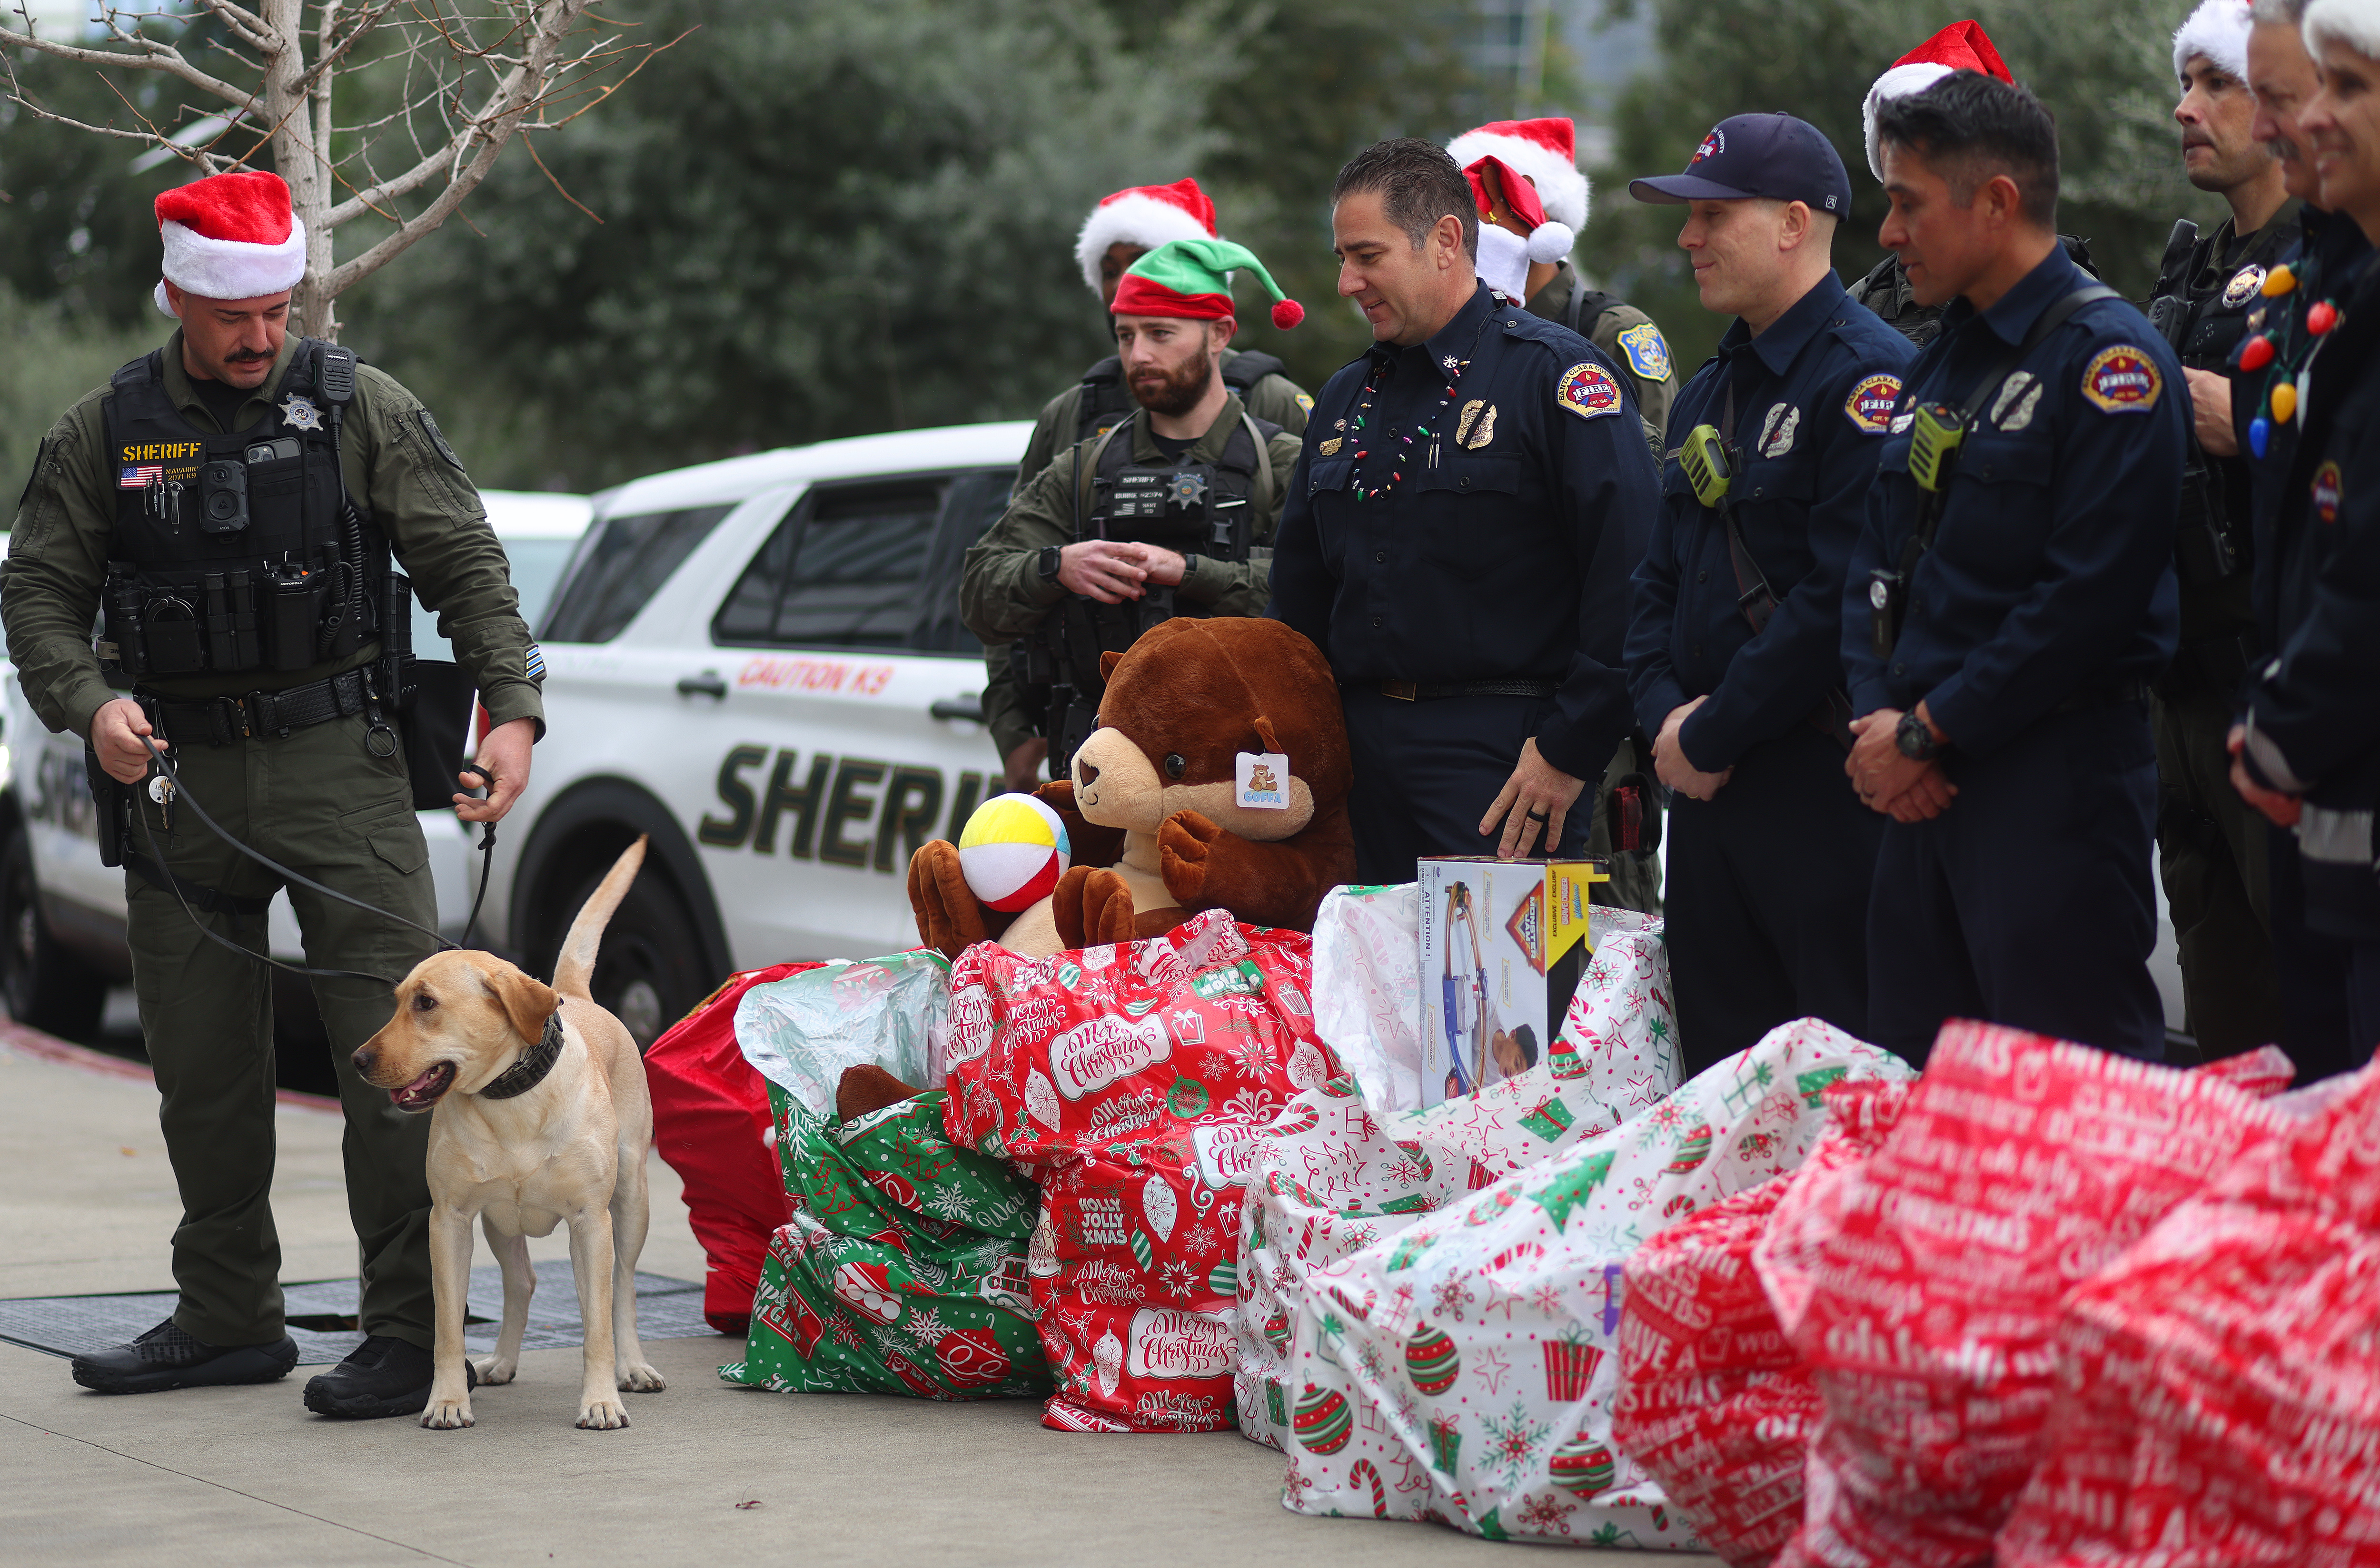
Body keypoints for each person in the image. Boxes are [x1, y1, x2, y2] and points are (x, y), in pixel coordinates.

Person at [0, 171, 542, 1415]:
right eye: (235, 312)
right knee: (200, 1063)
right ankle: (228, 1312)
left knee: (404, 1059)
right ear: (180, 293)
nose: (261, 334)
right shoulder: (106, 429)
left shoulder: (360, 406)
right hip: (177, 775)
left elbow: (464, 558)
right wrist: (91, 704)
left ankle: (414, 1322)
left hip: (337, 763)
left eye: (279, 308)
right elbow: (37, 596)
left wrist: (511, 708)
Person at [1839, 73, 2187, 1066]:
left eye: (1907, 203)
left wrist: (1927, 729)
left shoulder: (2108, 361)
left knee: (2066, 1100)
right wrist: (1883, 720)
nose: (1890, 234)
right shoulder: (1939, 362)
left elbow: (2086, 601)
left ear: (1993, 202)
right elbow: (1875, 560)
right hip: (1918, 792)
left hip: (2049, 786)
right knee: (1920, 1089)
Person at [1266, 139, 1661, 888]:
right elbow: (1297, 604)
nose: (1347, 281)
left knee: (1500, 1008)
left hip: (1508, 771)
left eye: (1367, 255)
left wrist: (1569, 748)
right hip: (1357, 771)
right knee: (1366, 1005)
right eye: (1342, 257)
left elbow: (1633, 577)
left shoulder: (1557, 379)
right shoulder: (1346, 399)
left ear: (1447, 240)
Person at [1623, 114, 1917, 1074]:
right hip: (1704, 803)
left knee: (1834, 1094)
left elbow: (1846, 591)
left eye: (1711, 215)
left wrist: (1710, 733)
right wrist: (1667, 718)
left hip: (1817, 790)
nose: (1687, 238)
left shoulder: (1867, 374)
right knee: (1716, 1101)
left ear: (1794, 223)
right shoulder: (1713, 389)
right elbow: (1655, 581)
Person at [985, 178, 1314, 791]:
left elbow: (1321, 589)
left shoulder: (1274, 426)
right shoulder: (1077, 433)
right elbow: (998, 580)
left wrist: (1189, 572)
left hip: (1242, 754)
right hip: (1096, 744)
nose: (1122, 282)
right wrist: (1014, 723)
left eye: (1160, 330)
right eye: (1126, 330)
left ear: (1217, 332)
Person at [1451, 116, 1677, 913]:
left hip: (1591, 703)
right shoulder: (1448, 342)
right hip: (1481, 694)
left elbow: (1640, 501)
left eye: (1484, 227)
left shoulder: (1609, 337)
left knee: (1600, 937)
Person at [2229, 0, 2380, 1075]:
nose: (2305, 121)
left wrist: (2282, 731)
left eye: (2344, 88)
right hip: (2314, 790)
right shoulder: (2336, 278)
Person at [2144, 0, 2294, 1060]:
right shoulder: (2187, 275)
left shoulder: (2335, 265)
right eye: (2182, 84)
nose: (2186, 109)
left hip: (2280, 684)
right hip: (2177, 691)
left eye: (2215, 83)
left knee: (2323, 1025)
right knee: (2224, 1033)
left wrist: (2243, 426)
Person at [1847, 22, 2103, 345]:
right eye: (1895, 202)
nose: (1890, 233)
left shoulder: (2081, 321)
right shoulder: (1861, 307)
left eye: (1913, 204)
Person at [1447, 118, 1678, 452]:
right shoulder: (1463, 330)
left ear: (1534, 219)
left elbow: (1656, 473)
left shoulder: (1612, 334)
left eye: (1484, 213)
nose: (1460, 241)